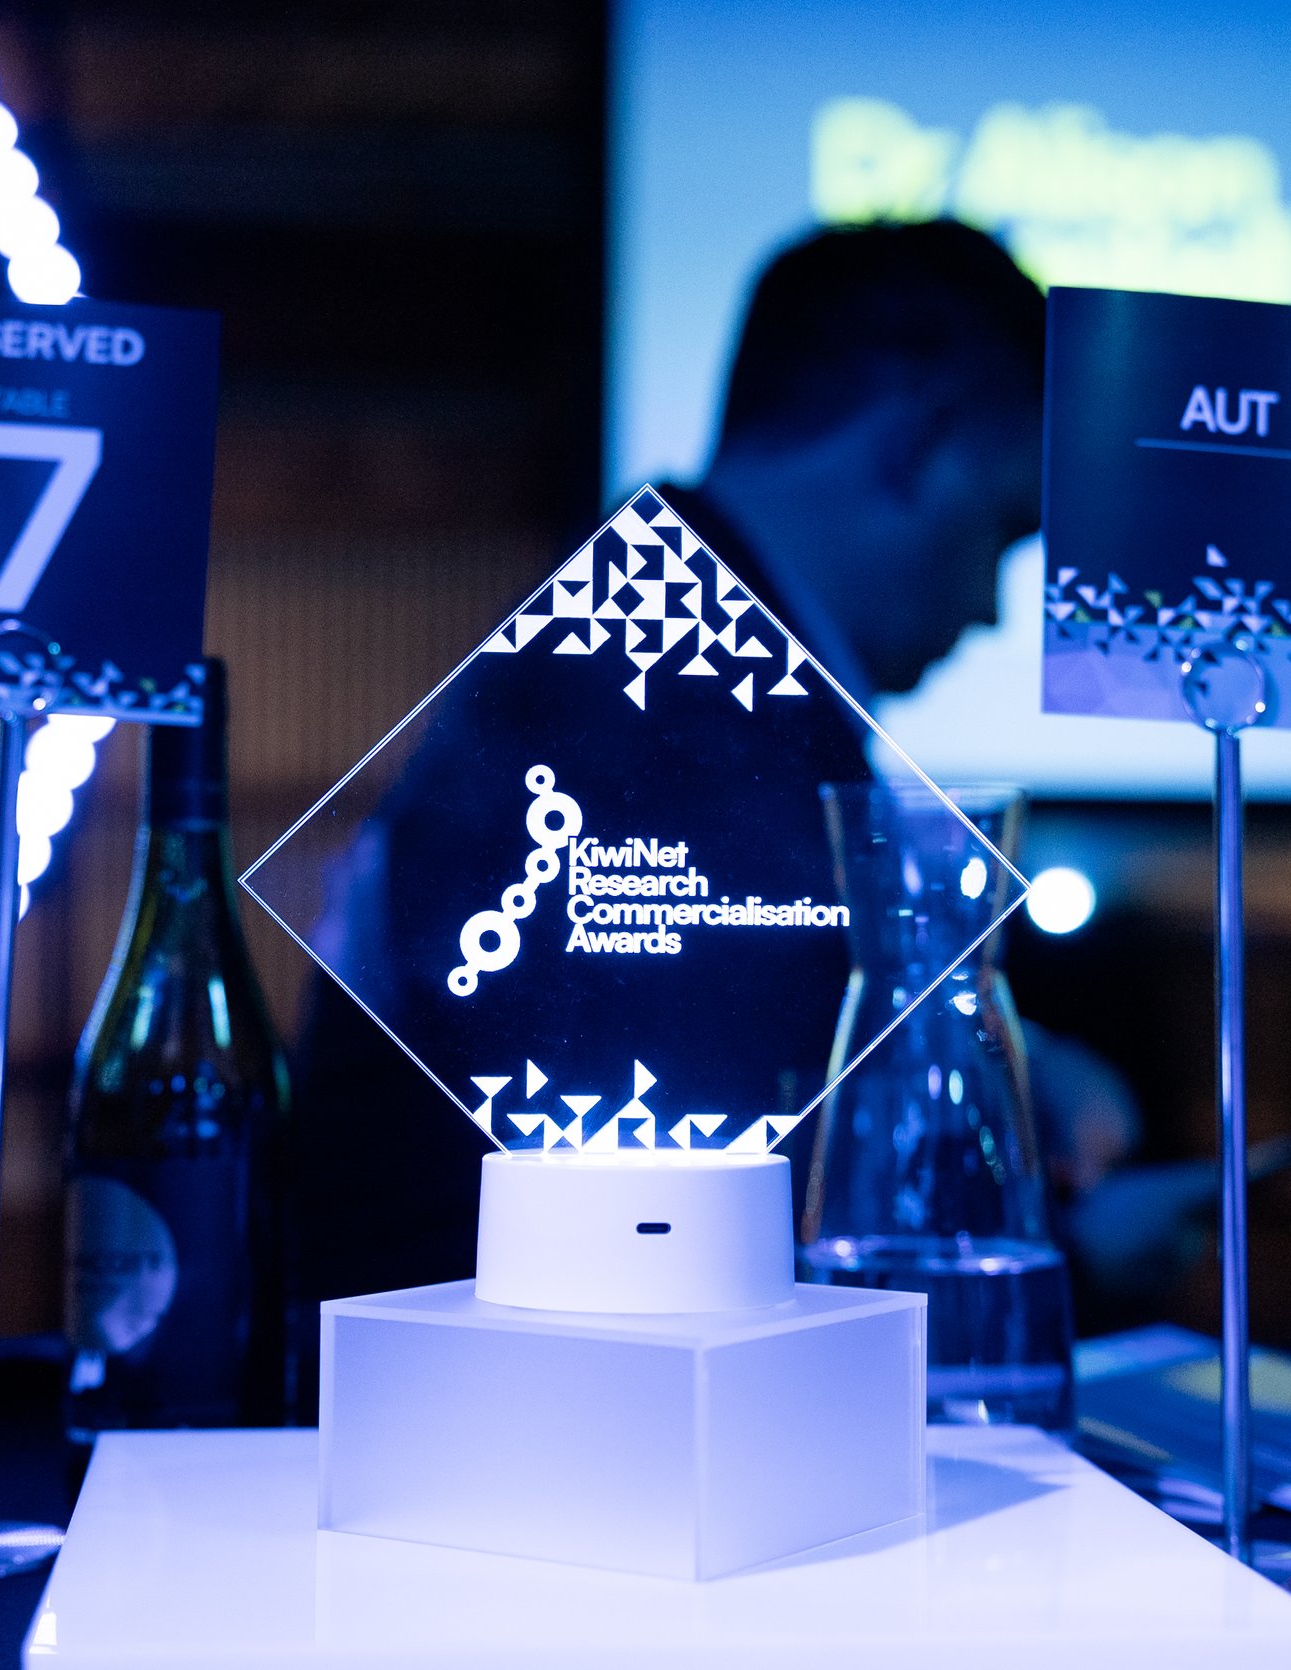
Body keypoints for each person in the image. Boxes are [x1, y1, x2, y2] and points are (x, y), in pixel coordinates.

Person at [289, 220, 1144, 1327]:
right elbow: (709, 1187)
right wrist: (1076, 1247)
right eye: (1000, 529)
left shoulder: (654, 651)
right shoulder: (676, 709)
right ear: (916, 441)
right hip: (549, 1435)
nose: (989, 608)